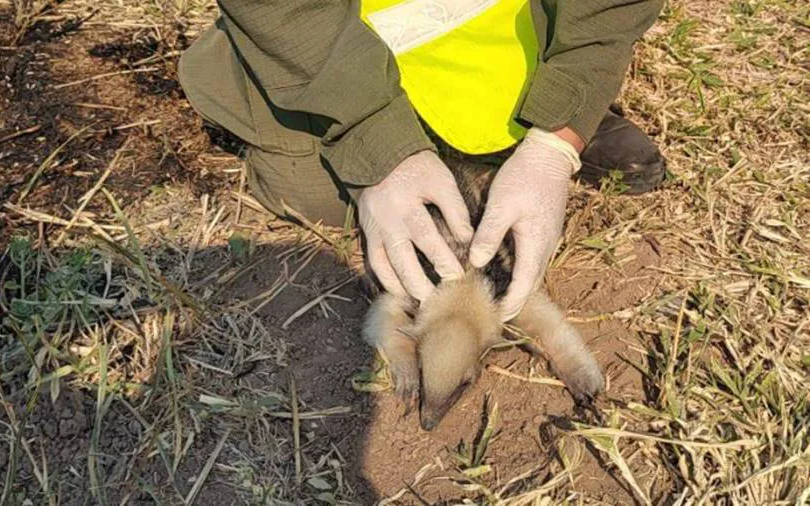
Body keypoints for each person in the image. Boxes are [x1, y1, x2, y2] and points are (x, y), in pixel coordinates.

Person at [178, 0, 665, 320]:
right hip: (337, 38)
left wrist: (559, 134)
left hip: (510, 32)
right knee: (312, 192)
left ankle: (549, 96)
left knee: (562, 103)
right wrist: (373, 138)